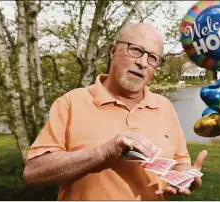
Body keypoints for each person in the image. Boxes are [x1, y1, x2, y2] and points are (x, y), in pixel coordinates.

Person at [23, 23, 208, 200]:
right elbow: (33, 173)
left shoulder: (165, 107)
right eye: (136, 50)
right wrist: (103, 152)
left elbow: (178, 163)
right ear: (113, 51)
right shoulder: (70, 103)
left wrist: (185, 176)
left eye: (153, 58)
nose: (143, 63)